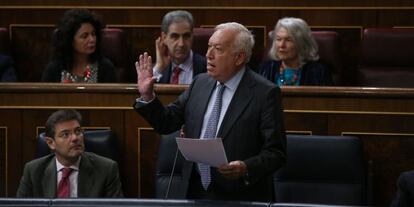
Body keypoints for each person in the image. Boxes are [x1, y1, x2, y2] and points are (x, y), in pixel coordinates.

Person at [134, 22, 286, 201]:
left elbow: (276, 153)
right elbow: (167, 122)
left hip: (239, 196)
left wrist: (246, 167)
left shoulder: (264, 93)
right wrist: (147, 95)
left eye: (218, 49)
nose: (208, 55)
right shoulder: (200, 83)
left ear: (239, 57)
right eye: (209, 47)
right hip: (195, 192)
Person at [16, 109, 123, 198]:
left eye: (78, 131)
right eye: (65, 134)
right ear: (51, 143)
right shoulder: (33, 171)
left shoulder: (106, 169)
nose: (75, 138)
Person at [42, 9, 117, 83]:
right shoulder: (55, 68)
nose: (92, 39)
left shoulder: (105, 67)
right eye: (84, 36)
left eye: (93, 34)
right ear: (70, 40)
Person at [258, 17, 333, 86]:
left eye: (288, 40)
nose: (281, 45)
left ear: (301, 43)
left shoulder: (318, 72)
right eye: (278, 39)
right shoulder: (265, 70)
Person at [153, 10, 206, 84]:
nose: (181, 44)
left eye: (186, 36)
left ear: (192, 36)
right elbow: (145, 93)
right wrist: (159, 68)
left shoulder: (206, 67)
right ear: (164, 38)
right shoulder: (157, 69)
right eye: (175, 37)